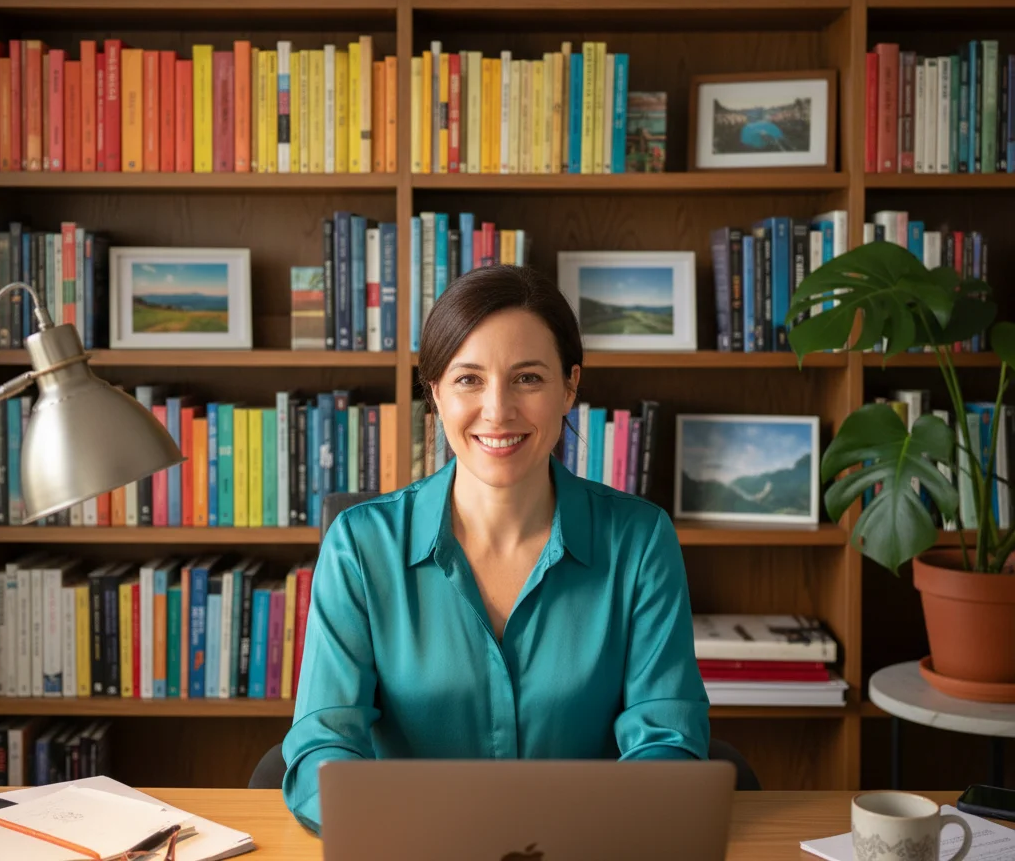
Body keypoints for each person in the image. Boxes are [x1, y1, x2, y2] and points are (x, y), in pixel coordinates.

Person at [281, 265, 709, 832]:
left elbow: (669, 740)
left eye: (528, 378)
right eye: (469, 379)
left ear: (570, 386)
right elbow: (322, 748)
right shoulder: (361, 546)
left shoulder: (640, 541)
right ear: (434, 392)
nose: (498, 410)